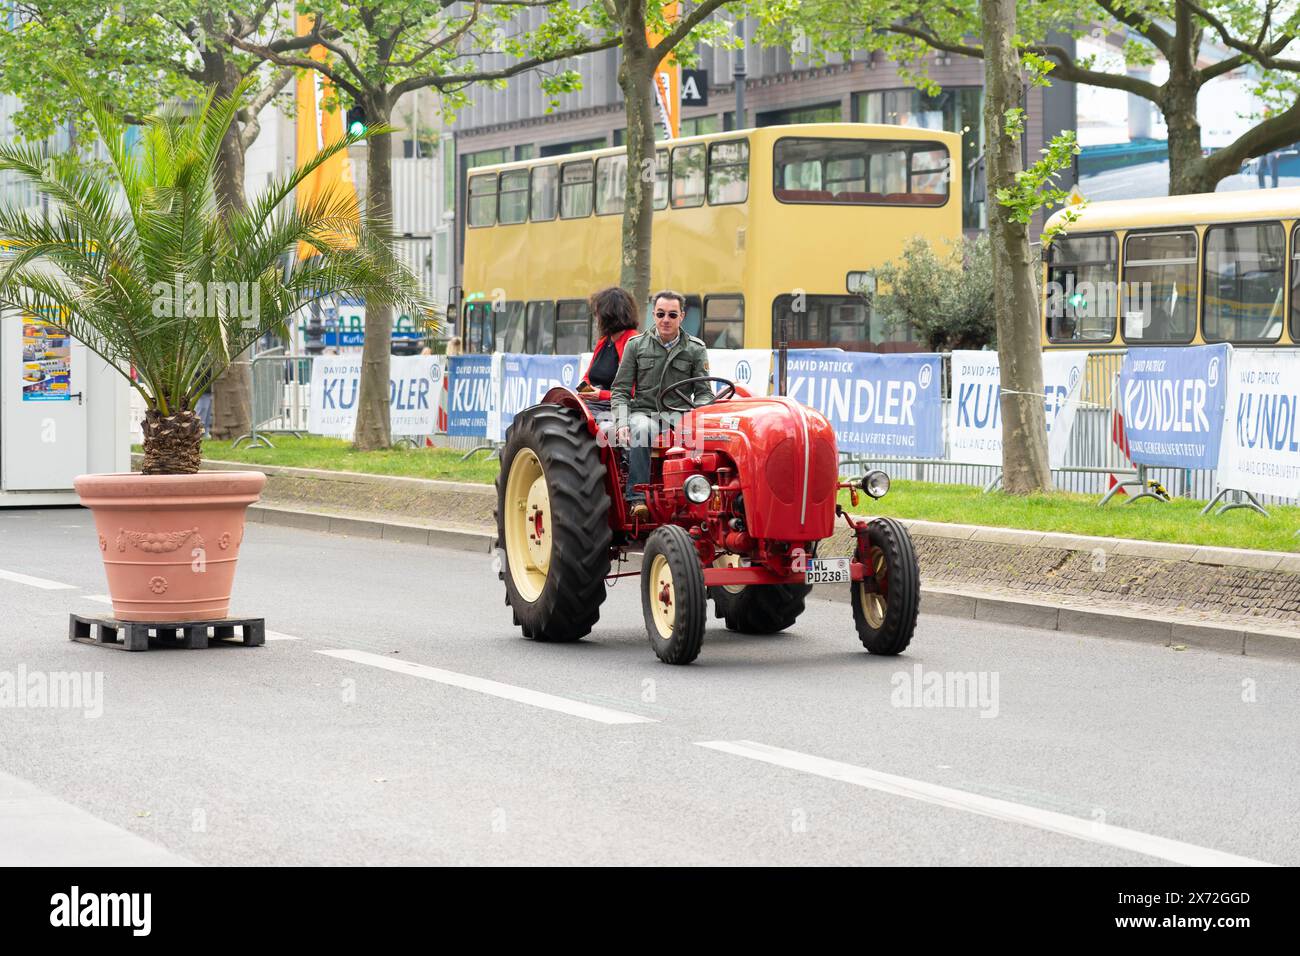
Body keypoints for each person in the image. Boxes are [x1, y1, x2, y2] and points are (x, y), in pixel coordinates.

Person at [611, 289, 712, 521]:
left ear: (682, 317)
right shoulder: (636, 346)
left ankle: (695, 498)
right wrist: (622, 422)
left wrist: (695, 417)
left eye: (672, 315)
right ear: (653, 316)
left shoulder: (696, 349)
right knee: (642, 430)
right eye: (660, 314)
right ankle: (637, 500)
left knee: (704, 437)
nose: (666, 320)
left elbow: (705, 394)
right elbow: (621, 390)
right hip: (643, 414)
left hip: (679, 416)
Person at [577, 286, 639, 405]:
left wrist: (601, 395)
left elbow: (634, 392)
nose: (596, 319)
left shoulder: (633, 341)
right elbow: (587, 377)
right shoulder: (604, 340)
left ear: (609, 315)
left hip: (616, 409)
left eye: (597, 314)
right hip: (594, 404)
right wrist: (584, 391)